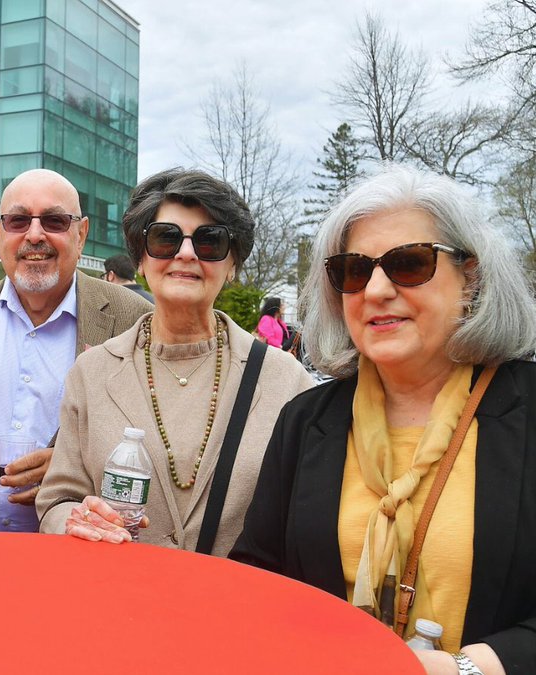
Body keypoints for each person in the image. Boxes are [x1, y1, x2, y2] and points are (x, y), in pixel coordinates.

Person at [231, 165, 536, 675]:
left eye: (409, 263)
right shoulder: (306, 420)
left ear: (471, 275)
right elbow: (257, 573)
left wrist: (462, 669)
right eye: (353, 270)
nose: (374, 290)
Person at [37, 168, 313, 554]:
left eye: (210, 241)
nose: (186, 253)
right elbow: (57, 500)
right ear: (142, 260)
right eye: (165, 239)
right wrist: (76, 519)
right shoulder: (93, 372)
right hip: (117, 601)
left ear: (232, 264)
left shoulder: (287, 382)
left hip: (240, 607)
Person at [0, 169, 150, 533]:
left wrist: (72, 464)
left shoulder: (134, 322)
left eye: (55, 221)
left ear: (81, 234)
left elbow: (154, 436)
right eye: (18, 220)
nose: (35, 235)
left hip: (77, 556)